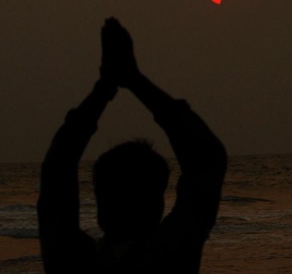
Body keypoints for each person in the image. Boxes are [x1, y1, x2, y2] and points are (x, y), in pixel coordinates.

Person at [37, 17, 227, 273]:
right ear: (157, 204)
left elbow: (57, 170)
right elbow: (206, 159)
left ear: (101, 202)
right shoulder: (169, 256)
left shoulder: (72, 260)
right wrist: (134, 80)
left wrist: (104, 89)